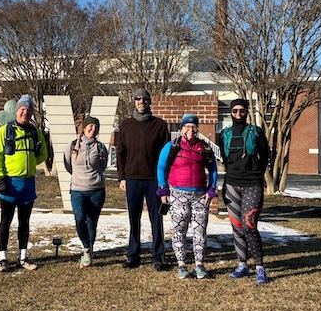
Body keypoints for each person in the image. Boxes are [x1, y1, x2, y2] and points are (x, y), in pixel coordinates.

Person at [156, 114, 218, 279]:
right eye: (187, 126)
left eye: (193, 126)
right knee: (179, 230)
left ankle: (199, 264)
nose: (190, 130)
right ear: (181, 128)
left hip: (199, 195)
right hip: (178, 194)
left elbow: (213, 169)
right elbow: (161, 168)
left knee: (200, 231)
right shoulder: (172, 146)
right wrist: (163, 191)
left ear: (197, 129)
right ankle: (182, 265)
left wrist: (211, 190)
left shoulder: (204, 147)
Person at [0, 94, 48, 272]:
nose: (25, 112)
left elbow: (44, 153)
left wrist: (31, 161)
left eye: (28, 109)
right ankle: (3, 258)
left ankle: (22, 257)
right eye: (22, 109)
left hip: (28, 183)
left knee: (24, 222)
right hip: (10, 183)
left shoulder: (35, 131)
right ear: (16, 111)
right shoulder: (4, 131)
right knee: (5, 221)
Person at [116, 88, 171, 270]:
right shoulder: (126, 125)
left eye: (144, 99)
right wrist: (121, 177)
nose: (141, 102)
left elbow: (166, 156)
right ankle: (133, 255)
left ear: (149, 102)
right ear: (134, 101)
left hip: (153, 179)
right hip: (132, 179)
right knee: (134, 218)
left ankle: (158, 256)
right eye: (138, 99)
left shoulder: (160, 126)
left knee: (157, 218)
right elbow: (121, 153)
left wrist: (164, 181)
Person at [219, 98, 271, 284]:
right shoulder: (224, 134)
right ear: (230, 113)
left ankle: (259, 268)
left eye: (242, 111)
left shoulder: (256, 132)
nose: (238, 114)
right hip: (232, 185)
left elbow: (265, 155)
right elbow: (225, 160)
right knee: (237, 227)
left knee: (249, 225)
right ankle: (242, 265)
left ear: (247, 112)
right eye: (235, 111)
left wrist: (259, 173)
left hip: (252, 185)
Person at [64, 115, 108, 268]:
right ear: (84, 128)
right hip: (78, 189)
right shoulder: (71, 146)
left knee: (92, 222)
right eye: (90, 126)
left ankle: (88, 251)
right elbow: (68, 165)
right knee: (79, 217)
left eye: (96, 127)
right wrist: (80, 176)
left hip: (97, 190)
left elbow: (103, 166)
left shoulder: (101, 147)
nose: (93, 129)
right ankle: (85, 245)